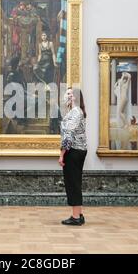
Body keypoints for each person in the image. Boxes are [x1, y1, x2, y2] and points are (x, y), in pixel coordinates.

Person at [59, 87, 88, 226]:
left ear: (76, 97)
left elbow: (68, 135)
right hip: (77, 150)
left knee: (73, 183)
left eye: (70, 94)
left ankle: (76, 217)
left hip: (74, 151)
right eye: (67, 93)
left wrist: (62, 154)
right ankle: (79, 214)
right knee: (75, 181)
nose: (67, 95)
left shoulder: (76, 112)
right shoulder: (74, 111)